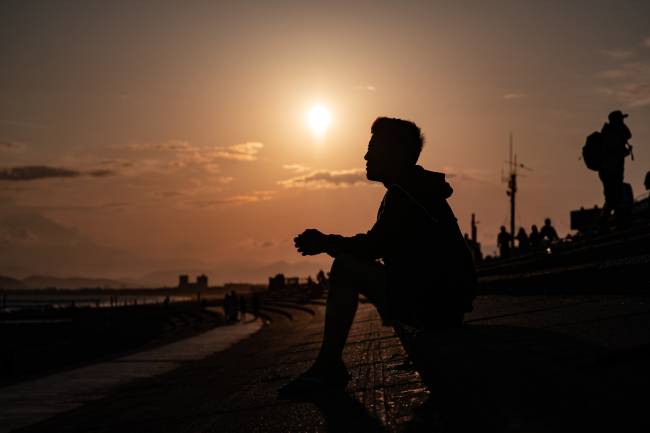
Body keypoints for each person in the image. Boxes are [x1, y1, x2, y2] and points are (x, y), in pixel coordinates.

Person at [280, 117, 476, 395]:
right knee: (352, 262)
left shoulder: (407, 193)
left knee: (347, 266)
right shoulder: (412, 188)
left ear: (395, 153)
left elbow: (373, 246)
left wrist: (325, 242)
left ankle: (328, 366)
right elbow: (381, 243)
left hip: (435, 305)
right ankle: (329, 365)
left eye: (373, 148)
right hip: (442, 301)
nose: (366, 155)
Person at [599, 110, 633, 221]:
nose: (622, 121)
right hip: (610, 171)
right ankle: (604, 224)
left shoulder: (614, 132)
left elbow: (628, 135)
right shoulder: (610, 134)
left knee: (615, 197)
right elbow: (614, 152)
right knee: (612, 198)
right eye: (620, 120)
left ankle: (615, 221)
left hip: (613, 170)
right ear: (616, 121)